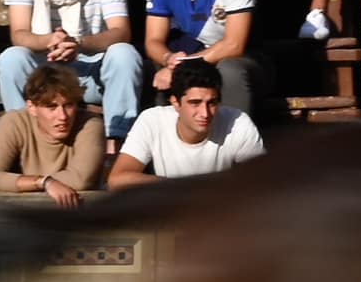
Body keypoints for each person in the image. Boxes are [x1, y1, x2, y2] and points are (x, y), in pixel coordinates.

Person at [0, 0, 143, 159]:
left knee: (125, 53)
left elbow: (121, 31)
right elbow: (18, 34)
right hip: (46, 64)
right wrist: (50, 41)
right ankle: (22, 142)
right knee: (11, 58)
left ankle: (118, 144)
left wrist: (78, 44)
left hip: (90, 68)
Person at [108, 58, 265, 187]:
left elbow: (262, 182)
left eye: (212, 103)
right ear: (175, 103)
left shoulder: (238, 122)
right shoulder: (152, 120)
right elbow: (118, 180)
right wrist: (181, 189)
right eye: (195, 103)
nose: (205, 113)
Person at [0, 63, 107, 204]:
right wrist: (43, 182)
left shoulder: (90, 123)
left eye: (69, 105)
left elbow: (80, 180)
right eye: (52, 107)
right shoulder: (14, 122)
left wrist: (21, 183)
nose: (62, 116)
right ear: (32, 107)